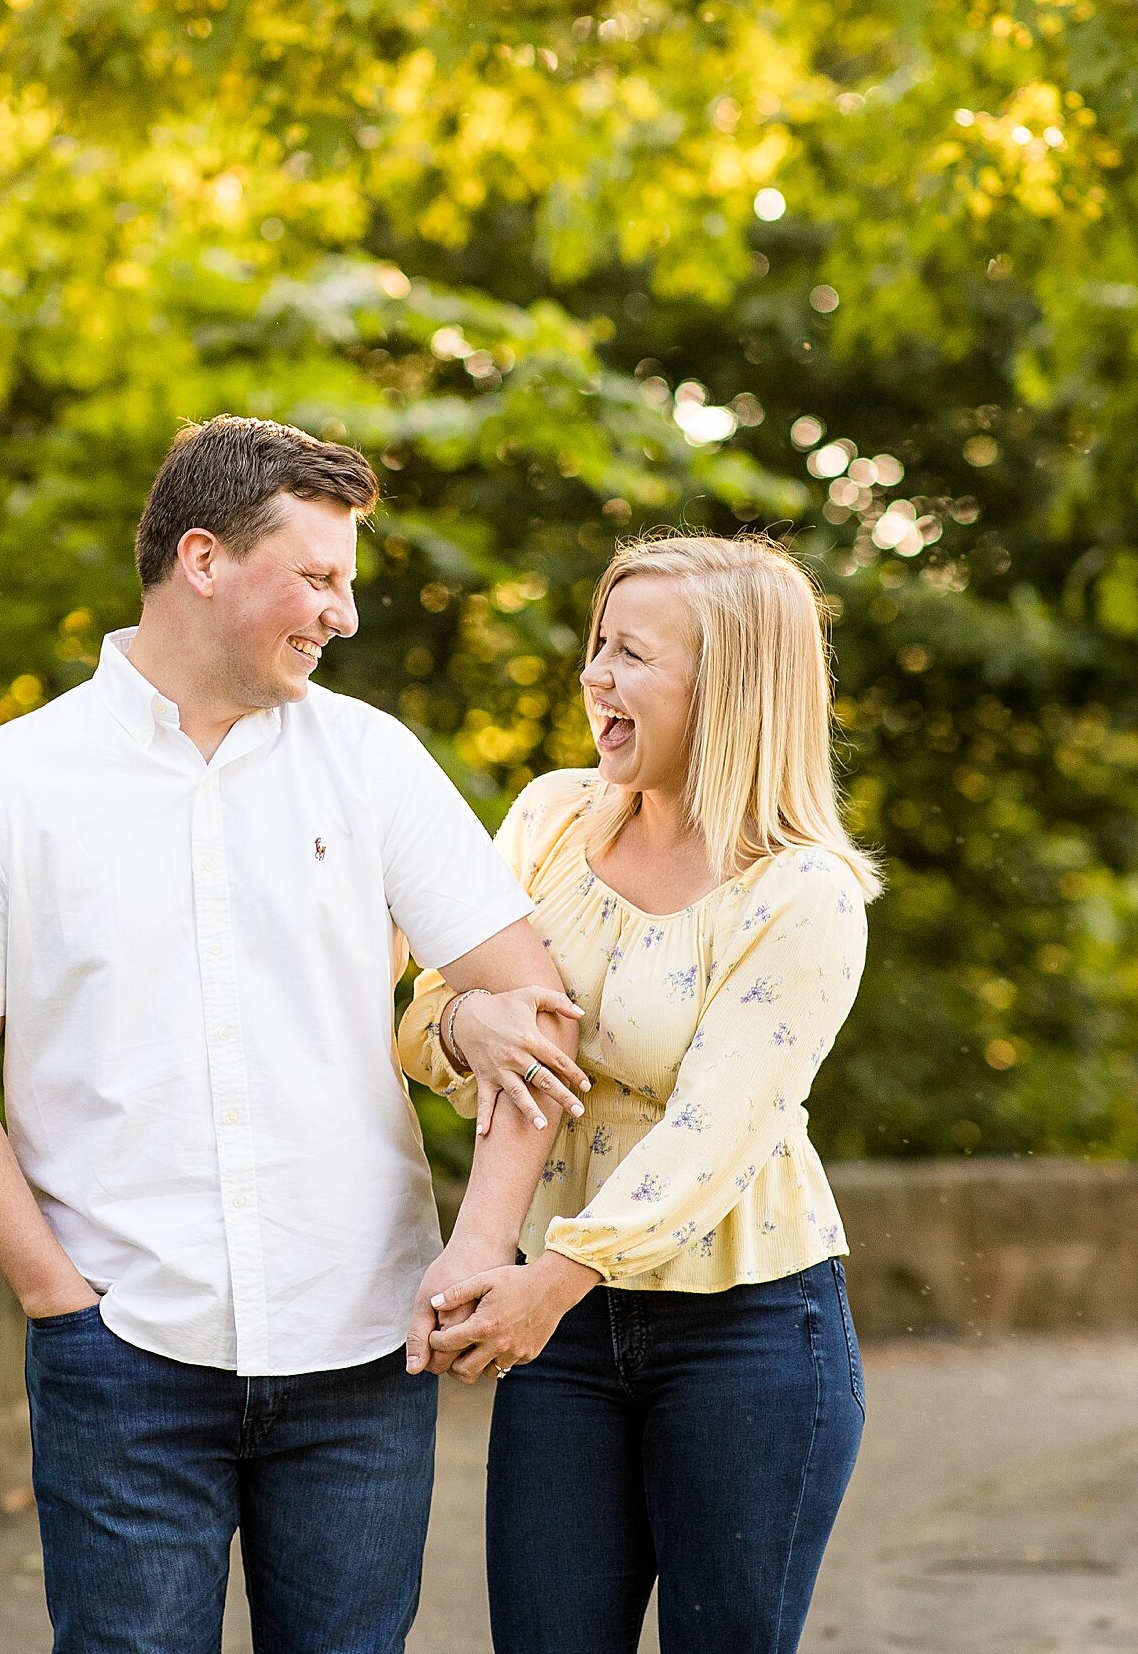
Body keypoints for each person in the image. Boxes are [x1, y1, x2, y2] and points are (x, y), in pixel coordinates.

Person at [0, 416, 586, 1654]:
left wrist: (479, 1242)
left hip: (366, 1354)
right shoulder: (5, 788)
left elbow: (534, 1019)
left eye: (347, 581)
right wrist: (57, 1298)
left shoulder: (372, 764)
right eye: (317, 577)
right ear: (202, 560)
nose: (344, 614)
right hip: (123, 1357)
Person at [401, 533, 881, 1654]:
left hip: (748, 1334)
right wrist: (468, 1021)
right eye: (595, 646)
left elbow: (714, 1131)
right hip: (564, 1341)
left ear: (725, 687)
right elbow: (425, 1022)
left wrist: (546, 1279)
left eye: (628, 654)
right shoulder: (550, 819)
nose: (593, 677)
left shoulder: (803, 893)